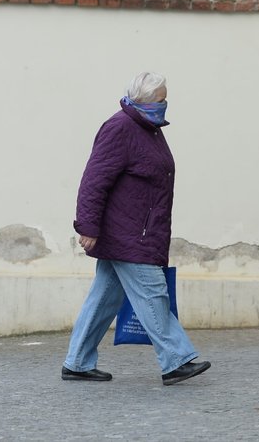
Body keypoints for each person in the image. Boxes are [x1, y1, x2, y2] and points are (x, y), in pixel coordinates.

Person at [62, 71, 211, 386]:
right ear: (142, 101)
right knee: (153, 294)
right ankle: (175, 360)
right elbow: (93, 181)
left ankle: (77, 362)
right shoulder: (120, 128)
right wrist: (87, 226)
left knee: (103, 299)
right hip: (128, 233)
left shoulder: (149, 128)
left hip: (139, 229)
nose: (165, 105)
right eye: (161, 100)